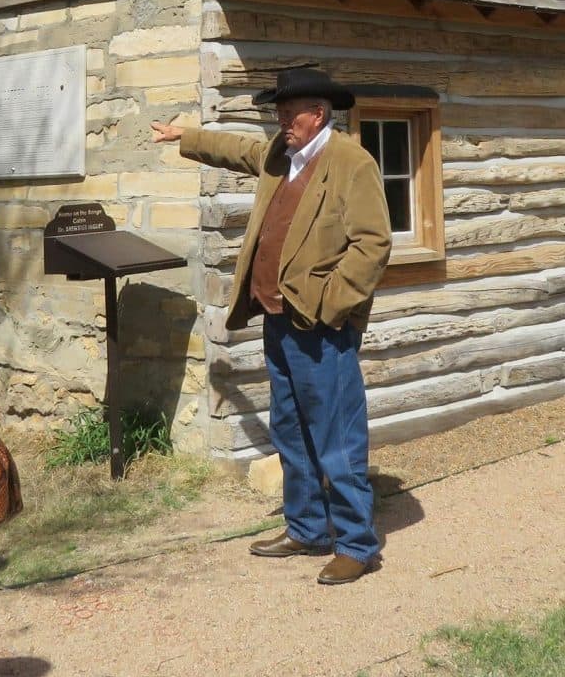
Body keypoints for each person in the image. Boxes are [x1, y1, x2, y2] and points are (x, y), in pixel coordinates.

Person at [152, 65, 391, 585]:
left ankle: (356, 543)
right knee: (289, 427)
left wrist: (329, 304)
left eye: (288, 114)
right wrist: (183, 137)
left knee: (336, 436)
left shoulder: (352, 161)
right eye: (278, 114)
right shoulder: (282, 156)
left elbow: (372, 244)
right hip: (278, 321)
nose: (281, 122)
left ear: (318, 113)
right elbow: (237, 150)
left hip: (320, 327)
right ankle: (305, 527)